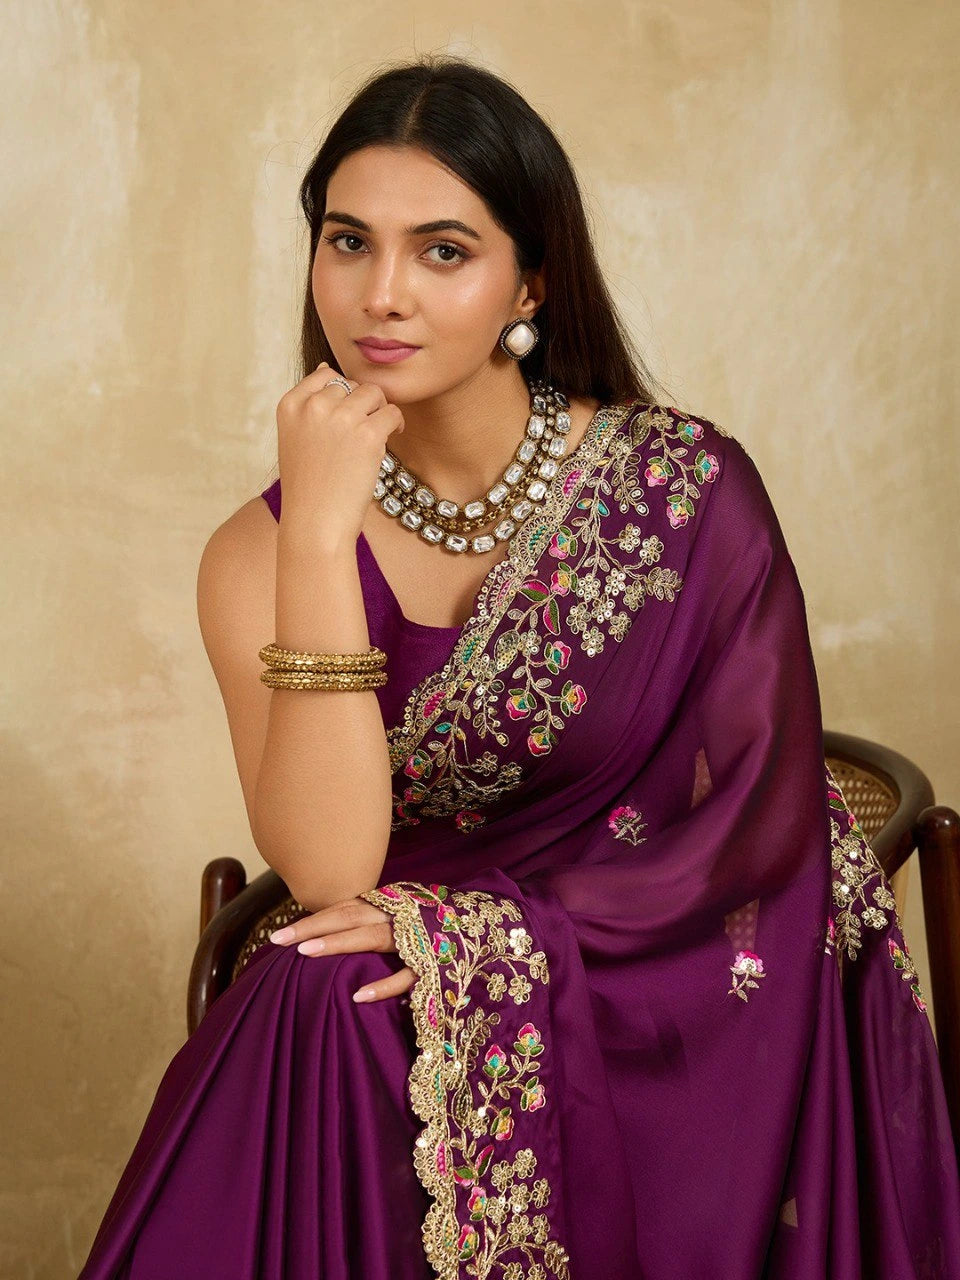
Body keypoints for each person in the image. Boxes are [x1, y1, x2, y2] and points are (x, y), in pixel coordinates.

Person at [78, 53, 960, 1280]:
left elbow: (760, 818)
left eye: (443, 250)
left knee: (334, 995)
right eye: (349, 241)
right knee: (319, 995)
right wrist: (324, 536)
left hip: (672, 962)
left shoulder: (686, 489)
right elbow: (329, 867)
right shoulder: (263, 549)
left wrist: (494, 944)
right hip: (402, 964)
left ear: (528, 280)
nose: (382, 294)